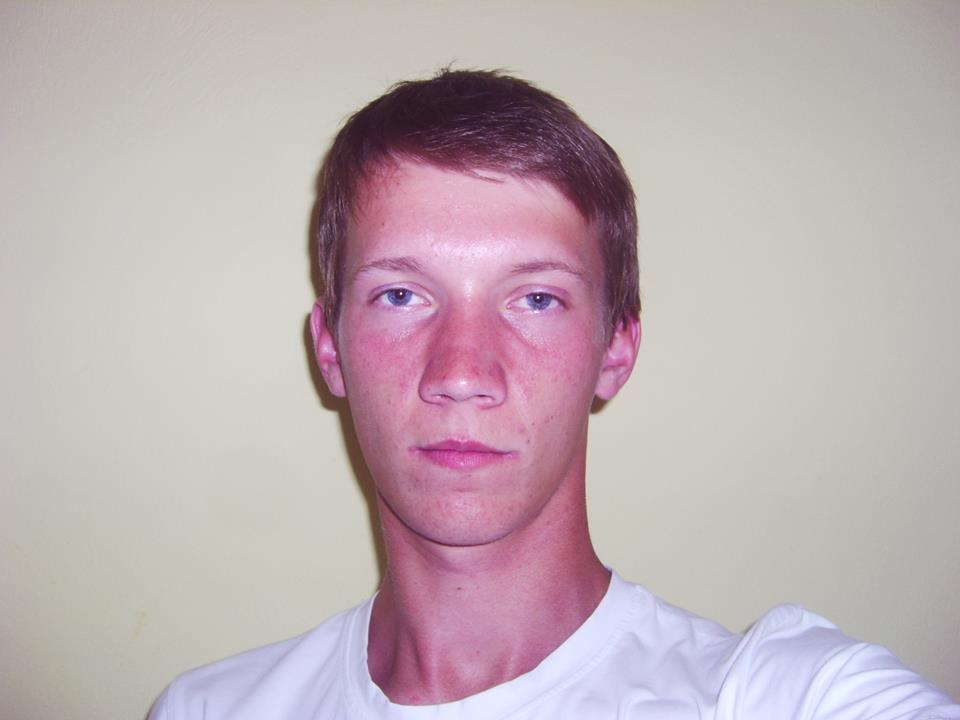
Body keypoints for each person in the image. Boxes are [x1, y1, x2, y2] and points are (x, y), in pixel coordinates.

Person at [148, 69, 959, 719]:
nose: (462, 373)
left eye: (536, 298)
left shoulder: (775, 695)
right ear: (330, 348)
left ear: (616, 349)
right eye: (401, 295)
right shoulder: (210, 710)